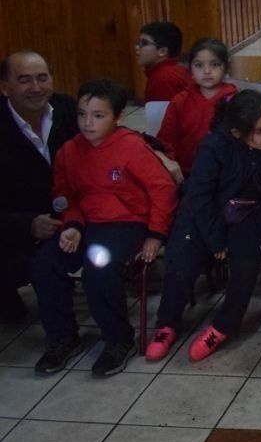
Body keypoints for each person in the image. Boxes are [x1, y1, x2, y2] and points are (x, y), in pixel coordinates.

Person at [32, 78, 178, 376]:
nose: (88, 123)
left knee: (99, 266)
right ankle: (62, 337)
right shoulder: (68, 152)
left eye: (98, 116)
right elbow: (64, 196)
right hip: (85, 223)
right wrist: (71, 224)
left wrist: (156, 234)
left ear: (118, 117)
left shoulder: (132, 148)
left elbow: (162, 190)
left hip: (127, 223)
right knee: (43, 264)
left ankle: (117, 339)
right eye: (82, 114)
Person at [148, 91, 261, 363]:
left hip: (251, 212)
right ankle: (166, 323)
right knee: (182, 258)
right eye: (259, 131)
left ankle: (223, 326)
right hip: (206, 213)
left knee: (246, 265)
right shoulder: (213, 147)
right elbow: (200, 198)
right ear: (237, 132)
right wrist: (216, 242)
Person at [0, 51, 78, 322]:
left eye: (42, 78)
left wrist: (159, 153)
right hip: (15, 227)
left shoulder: (67, 109)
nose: (35, 88)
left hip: (73, 218)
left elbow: (110, 135)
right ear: (5, 86)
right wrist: (28, 224)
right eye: (24, 80)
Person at [157, 39, 238, 175]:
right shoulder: (180, 101)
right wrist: (169, 162)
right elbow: (165, 140)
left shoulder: (236, 100)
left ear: (226, 67)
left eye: (215, 64)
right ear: (190, 70)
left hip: (226, 172)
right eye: (199, 65)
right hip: (186, 172)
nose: (207, 71)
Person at [137, 22, 189, 102]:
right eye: (138, 43)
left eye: (144, 43)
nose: (137, 47)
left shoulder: (165, 78)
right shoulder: (167, 71)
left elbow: (166, 114)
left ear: (162, 51)